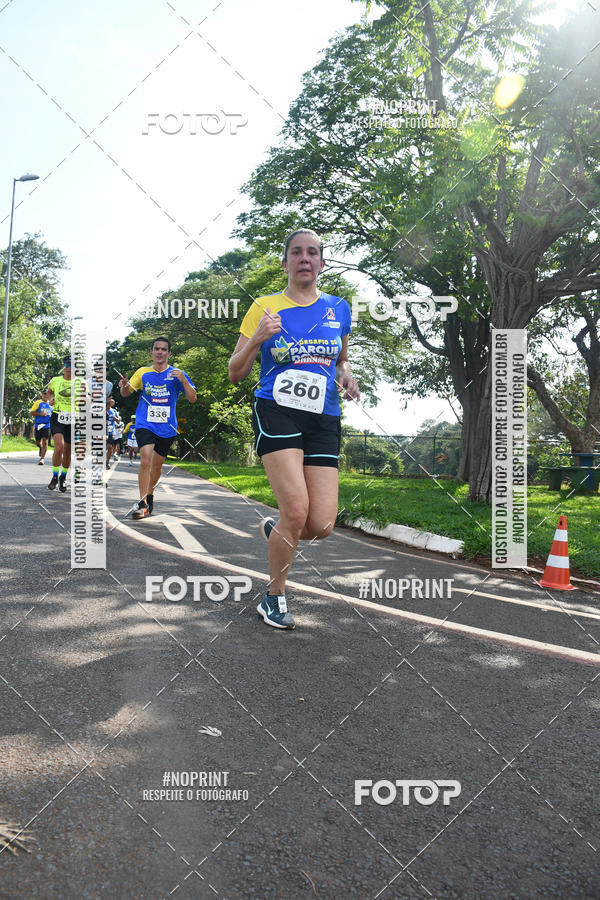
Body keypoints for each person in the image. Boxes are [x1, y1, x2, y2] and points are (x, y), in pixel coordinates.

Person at [228, 228, 359, 630]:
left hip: (324, 416)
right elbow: (235, 372)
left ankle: (279, 529)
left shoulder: (339, 307)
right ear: (285, 263)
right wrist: (257, 341)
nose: (305, 258)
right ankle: (274, 596)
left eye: (313, 253)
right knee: (297, 510)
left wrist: (347, 376)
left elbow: (340, 360)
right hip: (276, 409)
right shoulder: (264, 308)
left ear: (322, 263)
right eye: (297, 253)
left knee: (319, 525)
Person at [119, 338, 196, 518]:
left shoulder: (177, 374)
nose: (160, 352)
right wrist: (123, 386)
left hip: (167, 427)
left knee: (157, 465)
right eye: (156, 349)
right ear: (151, 352)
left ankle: (150, 494)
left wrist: (184, 381)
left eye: (163, 349)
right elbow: (125, 393)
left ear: (169, 354)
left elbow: (193, 398)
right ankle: (142, 502)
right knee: (146, 460)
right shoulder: (143, 373)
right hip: (145, 423)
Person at [46, 356, 84, 492]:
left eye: (73, 364)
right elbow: (49, 392)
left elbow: (88, 398)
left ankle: (63, 476)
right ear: (63, 365)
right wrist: (51, 399)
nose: (69, 367)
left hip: (73, 419)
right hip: (57, 416)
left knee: (68, 450)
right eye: (67, 364)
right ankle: (55, 476)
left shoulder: (81, 382)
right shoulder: (55, 380)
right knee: (59, 446)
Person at [30, 390, 53, 465]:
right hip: (38, 424)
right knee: (37, 442)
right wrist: (40, 414)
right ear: (42, 395)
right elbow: (31, 413)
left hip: (47, 425)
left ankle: (42, 459)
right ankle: (40, 448)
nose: (46, 396)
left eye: (47, 394)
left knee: (45, 441)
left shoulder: (52, 404)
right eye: (44, 394)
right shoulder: (38, 403)